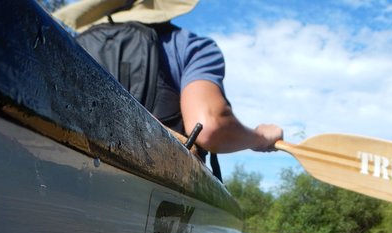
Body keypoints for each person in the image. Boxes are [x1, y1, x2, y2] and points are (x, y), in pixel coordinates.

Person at [53, 0, 282, 179]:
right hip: (155, 175)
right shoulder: (192, 46)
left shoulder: (73, 42)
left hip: (63, 165)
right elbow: (210, 127)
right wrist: (261, 137)